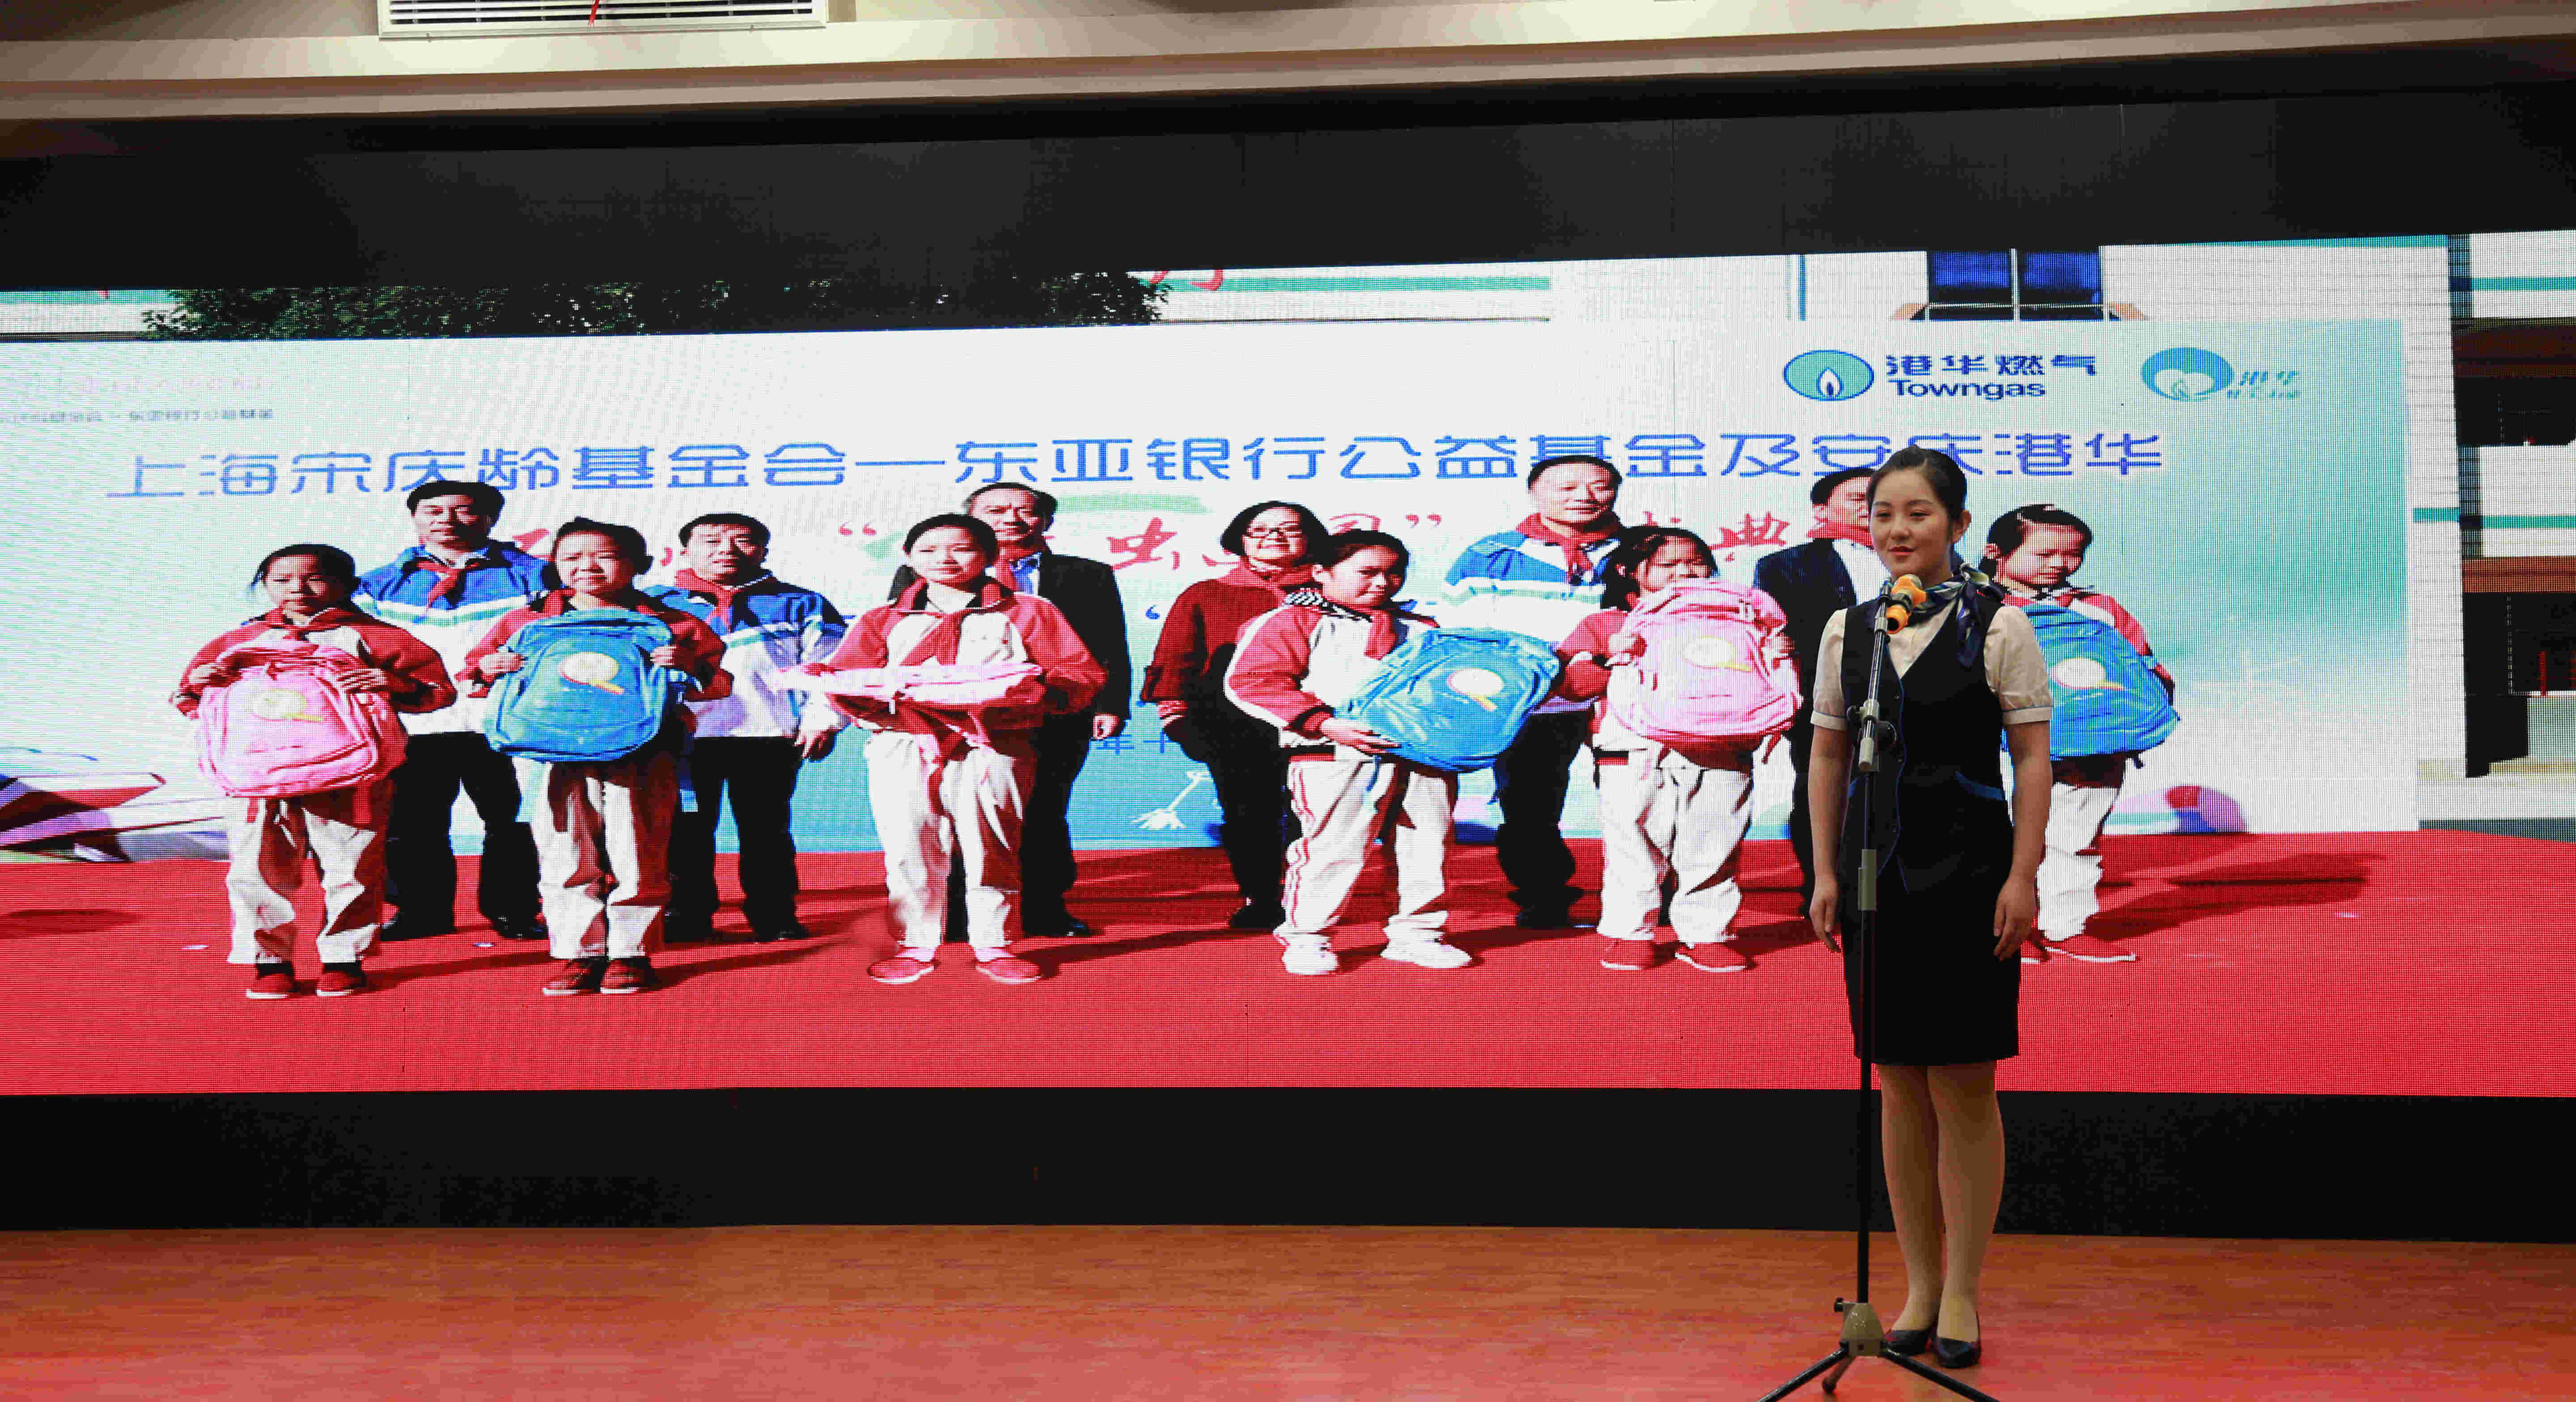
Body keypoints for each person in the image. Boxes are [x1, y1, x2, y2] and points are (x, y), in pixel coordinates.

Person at [1806, 447, 2053, 1369]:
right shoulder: (1850, 629)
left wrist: (2024, 875)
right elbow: (1827, 753)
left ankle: (1962, 1292)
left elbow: (2033, 758)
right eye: (1882, 513)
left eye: (1917, 513)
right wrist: (1825, 871)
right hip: (1875, 879)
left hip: (1970, 871)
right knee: (1898, 1080)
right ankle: (1914, 1284)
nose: (1897, 529)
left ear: (1956, 523)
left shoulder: (2000, 622)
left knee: (1964, 1082)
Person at [461, 519, 732, 997]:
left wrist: (689, 665)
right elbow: (474, 675)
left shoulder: (673, 622)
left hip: (644, 750)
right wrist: (490, 667)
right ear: (555, 565)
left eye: (605, 556)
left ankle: (630, 951)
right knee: (564, 852)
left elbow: (718, 685)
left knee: (637, 850)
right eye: (572, 558)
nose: (587, 566)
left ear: (639, 564)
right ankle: (579, 951)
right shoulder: (527, 620)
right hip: (552, 752)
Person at [174, 545, 457, 999]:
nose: (298, 589)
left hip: (352, 774)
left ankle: (345, 959)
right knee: (256, 868)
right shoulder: (240, 639)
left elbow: (438, 692)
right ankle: (270, 962)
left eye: (315, 578)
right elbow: (189, 699)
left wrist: (394, 683)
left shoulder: (375, 635)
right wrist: (201, 682)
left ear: (348, 585)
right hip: (260, 774)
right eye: (282, 580)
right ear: (265, 585)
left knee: (353, 866)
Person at [838, 514, 1107, 986]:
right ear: (908, 557)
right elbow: (846, 677)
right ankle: (914, 944)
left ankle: (995, 944)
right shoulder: (881, 618)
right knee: (908, 842)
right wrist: (878, 700)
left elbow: (1077, 674)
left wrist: (1020, 695)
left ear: (989, 555)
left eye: (961, 548)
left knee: (992, 842)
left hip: (994, 742)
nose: (944, 559)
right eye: (928, 550)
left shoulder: (1029, 610)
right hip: (906, 741)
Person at [1226, 529, 1470, 976]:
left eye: (1394, 573)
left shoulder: (1424, 628)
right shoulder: (1292, 620)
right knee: (1333, 848)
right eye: (1368, 572)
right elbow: (1253, 681)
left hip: (1424, 757)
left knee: (1426, 846)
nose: (1382, 583)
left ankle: (1418, 934)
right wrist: (1324, 723)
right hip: (1335, 753)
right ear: (1322, 572)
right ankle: (1308, 938)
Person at [890, 483, 1129, 938]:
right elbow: (907, 641)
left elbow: (1109, 641)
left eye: (1026, 511)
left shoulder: (1087, 574)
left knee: (1045, 809)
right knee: (961, 811)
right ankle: (957, 913)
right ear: (972, 519)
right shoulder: (923, 574)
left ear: (1047, 520)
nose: (1011, 520)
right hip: (961, 717)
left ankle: (1046, 908)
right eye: (996, 511)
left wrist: (1110, 704)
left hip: (1056, 709)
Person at [1555, 527, 1778, 973]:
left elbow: (1771, 675)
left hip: (1721, 745)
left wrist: (1777, 648)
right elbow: (1573, 686)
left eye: (1697, 563)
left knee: (1715, 840)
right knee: (1634, 841)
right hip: (1632, 749)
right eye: (1668, 564)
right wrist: (1609, 657)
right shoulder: (1606, 623)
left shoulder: (1742, 618)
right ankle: (1631, 932)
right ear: (1628, 571)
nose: (1686, 572)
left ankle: (1707, 934)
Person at [354, 481, 554, 943]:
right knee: (412, 823)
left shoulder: (538, 576)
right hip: (415, 720)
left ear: (490, 520)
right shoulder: (377, 584)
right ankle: (420, 911)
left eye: (464, 510)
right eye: (433, 511)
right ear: (415, 519)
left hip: (508, 719)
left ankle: (515, 909)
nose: (447, 520)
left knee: (514, 821)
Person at [1984, 503, 2175, 965]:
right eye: (2045, 553)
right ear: (1996, 553)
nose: (2061, 564)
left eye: (2073, 554)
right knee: (1996, 838)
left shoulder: (2098, 608)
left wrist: (2134, 720)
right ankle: (2003, 929)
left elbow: (2142, 667)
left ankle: (2067, 926)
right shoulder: (1971, 605)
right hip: (2002, 746)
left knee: (2075, 835)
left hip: (2093, 744)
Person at [1443, 455, 1627, 928]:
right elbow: (1463, 634)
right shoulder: (1491, 554)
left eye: (1599, 486)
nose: (1584, 496)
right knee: (1530, 807)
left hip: (1627, 697)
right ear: (1535, 493)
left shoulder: (1639, 550)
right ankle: (1543, 897)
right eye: (1566, 487)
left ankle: (1652, 899)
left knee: (1644, 801)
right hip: (1535, 702)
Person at [648, 511, 847, 944]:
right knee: (685, 833)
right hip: (683, 738)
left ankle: (774, 916)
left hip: (767, 736)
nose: (727, 549)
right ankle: (687, 916)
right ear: (685, 551)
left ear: (763, 550)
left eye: (743, 540)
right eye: (711, 540)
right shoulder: (652, 605)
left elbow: (831, 668)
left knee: (766, 833)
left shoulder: (803, 603)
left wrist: (823, 721)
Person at [1140, 500, 1325, 931]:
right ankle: (1261, 898)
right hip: (1233, 724)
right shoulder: (1207, 593)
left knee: (1318, 813)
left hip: (1321, 722)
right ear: (1240, 539)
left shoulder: (1336, 591)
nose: (1274, 536)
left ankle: (1314, 899)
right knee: (1249, 815)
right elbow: (1177, 656)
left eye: (1289, 529)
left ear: (1311, 538)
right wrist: (1175, 715)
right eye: (1260, 529)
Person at [1752, 466, 1890, 908]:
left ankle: (1886, 893)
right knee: (1824, 796)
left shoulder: (1931, 558)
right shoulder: (1784, 565)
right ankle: (1826, 891)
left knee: (1904, 794)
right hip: (1825, 699)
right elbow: (1781, 637)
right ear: (1821, 509)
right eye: (1857, 498)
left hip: (1911, 696)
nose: (1872, 505)